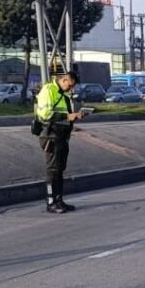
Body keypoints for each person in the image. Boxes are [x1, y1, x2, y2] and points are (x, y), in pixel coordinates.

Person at [35, 71, 84, 214]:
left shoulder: (65, 95)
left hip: (62, 136)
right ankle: (51, 201)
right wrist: (68, 116)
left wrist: (74, 117)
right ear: (64, 80)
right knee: (52, 169)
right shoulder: (49, 90)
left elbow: (65, 115)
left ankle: (59, 200)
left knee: (60, 169)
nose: (70, 89)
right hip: (51, 135)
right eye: (70, 85)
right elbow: (45, 114)